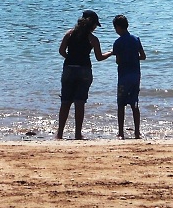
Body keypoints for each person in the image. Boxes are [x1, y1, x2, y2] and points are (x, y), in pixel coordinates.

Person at [56, 9, 112, 139]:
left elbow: (61, 51)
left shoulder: (69, 34)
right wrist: (110, 52)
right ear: (92, 25)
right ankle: (77, 134)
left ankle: (59, 134)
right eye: (95, 26)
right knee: (79, 102)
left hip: (69, 69)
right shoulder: (92, 39)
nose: (95, 28)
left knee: (65, 102)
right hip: (84, 71)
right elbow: (99, 57)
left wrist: (70, 59)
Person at [111, 14, 147, 139]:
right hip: (136, 76)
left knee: (121, 104)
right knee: (134, 104)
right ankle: (137, 132)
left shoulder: (118, 42)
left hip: (123, 76)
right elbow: (143, 56)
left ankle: (121, 132)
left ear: (118, 27)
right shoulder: (136, 39)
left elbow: (118, 61)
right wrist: (133, 57)